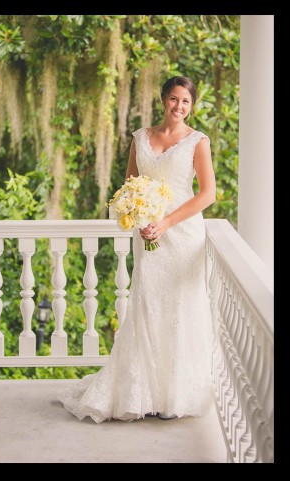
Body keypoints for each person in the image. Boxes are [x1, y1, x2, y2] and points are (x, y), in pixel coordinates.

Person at [59, 76, 216, 422]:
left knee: (178, 310)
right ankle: (144, 392)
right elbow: (130, 186)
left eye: (186, 102)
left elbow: (207, 195)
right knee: (146, 306)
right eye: (174, 99)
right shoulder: (140, 138)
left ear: (192, 106)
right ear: (162, 100)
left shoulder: (197, 142)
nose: (179, 107)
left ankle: (173, 396)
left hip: (183, 235)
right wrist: (137, 213)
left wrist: (166, 222)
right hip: (148, 235)